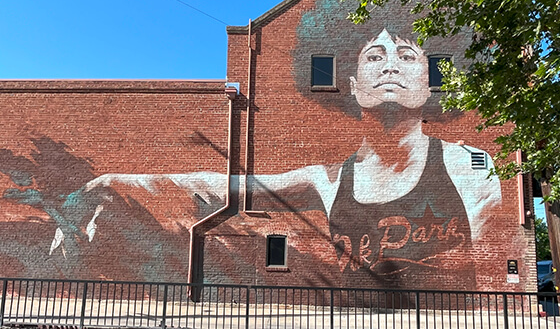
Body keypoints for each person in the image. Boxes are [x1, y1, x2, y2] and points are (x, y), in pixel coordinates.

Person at [57, 26, 501, 290]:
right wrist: (117, 180)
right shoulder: (327, 179)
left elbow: (499, 241)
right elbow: (228, 186)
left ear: (428, 84)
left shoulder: (469, 167)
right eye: (374, 57)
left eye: (406, 56)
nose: (390, 66)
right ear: (353, 84)